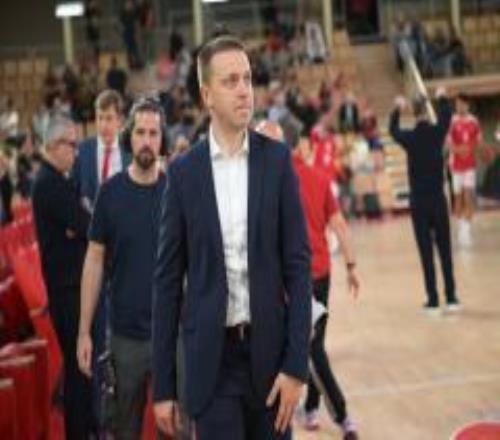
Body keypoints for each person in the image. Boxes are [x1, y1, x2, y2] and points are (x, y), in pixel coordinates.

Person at [152, 35, 312, 440]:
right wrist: (164, 386)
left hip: (270, 360)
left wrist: (296, 365)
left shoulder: (277, 161)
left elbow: (298, 267)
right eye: (230, 81)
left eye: (247, 79)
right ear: (207, 94)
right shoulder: (183, 175)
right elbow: (167, 284)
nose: (244, 90)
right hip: (212, 364)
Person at [255, 120, 360, 440]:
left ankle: (343, 417)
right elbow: (339, 225)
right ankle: (312, 409)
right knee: (314, 346)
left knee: (312, 351)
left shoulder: (270, 182)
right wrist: (351, 265)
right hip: (321, 275)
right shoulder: (318, 178)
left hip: (295, 283)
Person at [77, 98, 167, 439]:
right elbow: (94, 261)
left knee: (176, 429)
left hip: (171, 335)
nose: (146, 140)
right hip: (125, 336)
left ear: (162, 139)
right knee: (123, 430)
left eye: (154, 133)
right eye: (140, 132)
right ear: (129, 136)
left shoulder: (176, 193)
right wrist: (84, 330)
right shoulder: (110, 193)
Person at [72, 88, 131, 431]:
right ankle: (100, 420)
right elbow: (75, 199)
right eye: (100, 118)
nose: (105, 125)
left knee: (121, 337)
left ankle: (124, 411)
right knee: (95, 337)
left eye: (110, 118)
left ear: (121, 121)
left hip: (124, 259)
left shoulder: (130, 152)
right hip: (91, 257)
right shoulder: (82, 153)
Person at [32, 116, 93, 439]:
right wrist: (79, 226)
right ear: (54, 146)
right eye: (71, 145)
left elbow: (81, 224)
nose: (76, 152)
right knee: (78, 368)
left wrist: (79, 227)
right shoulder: (49, 183)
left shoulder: (56, 180)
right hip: (67, 290)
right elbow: (86, 223)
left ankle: (85, 429)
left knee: (81, 367)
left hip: (71, 286)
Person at [389, 89, 460, 315]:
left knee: (426, 252)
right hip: (438, 199)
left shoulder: (410, 138)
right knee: (445, 250)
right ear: (427, 112)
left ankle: (433, 300)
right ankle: (451, 297)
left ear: (413, 112)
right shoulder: (437, 132)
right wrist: (441, 97)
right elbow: (447, 115)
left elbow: (392, 130)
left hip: (419, 202)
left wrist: (397, 109)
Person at [447, 93, 482, 247]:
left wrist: (469, 150)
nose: (459, 107)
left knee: (468, 196)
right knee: (458, 197)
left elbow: (478, 141)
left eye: (461, 104)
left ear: (467, 105)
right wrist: (458, 150)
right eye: (457, 104)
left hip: (469, 165)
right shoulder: (451, 121)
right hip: (455, 164)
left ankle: (466, 230)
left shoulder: (474, 121)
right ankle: (460, 227)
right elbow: (448, 143)